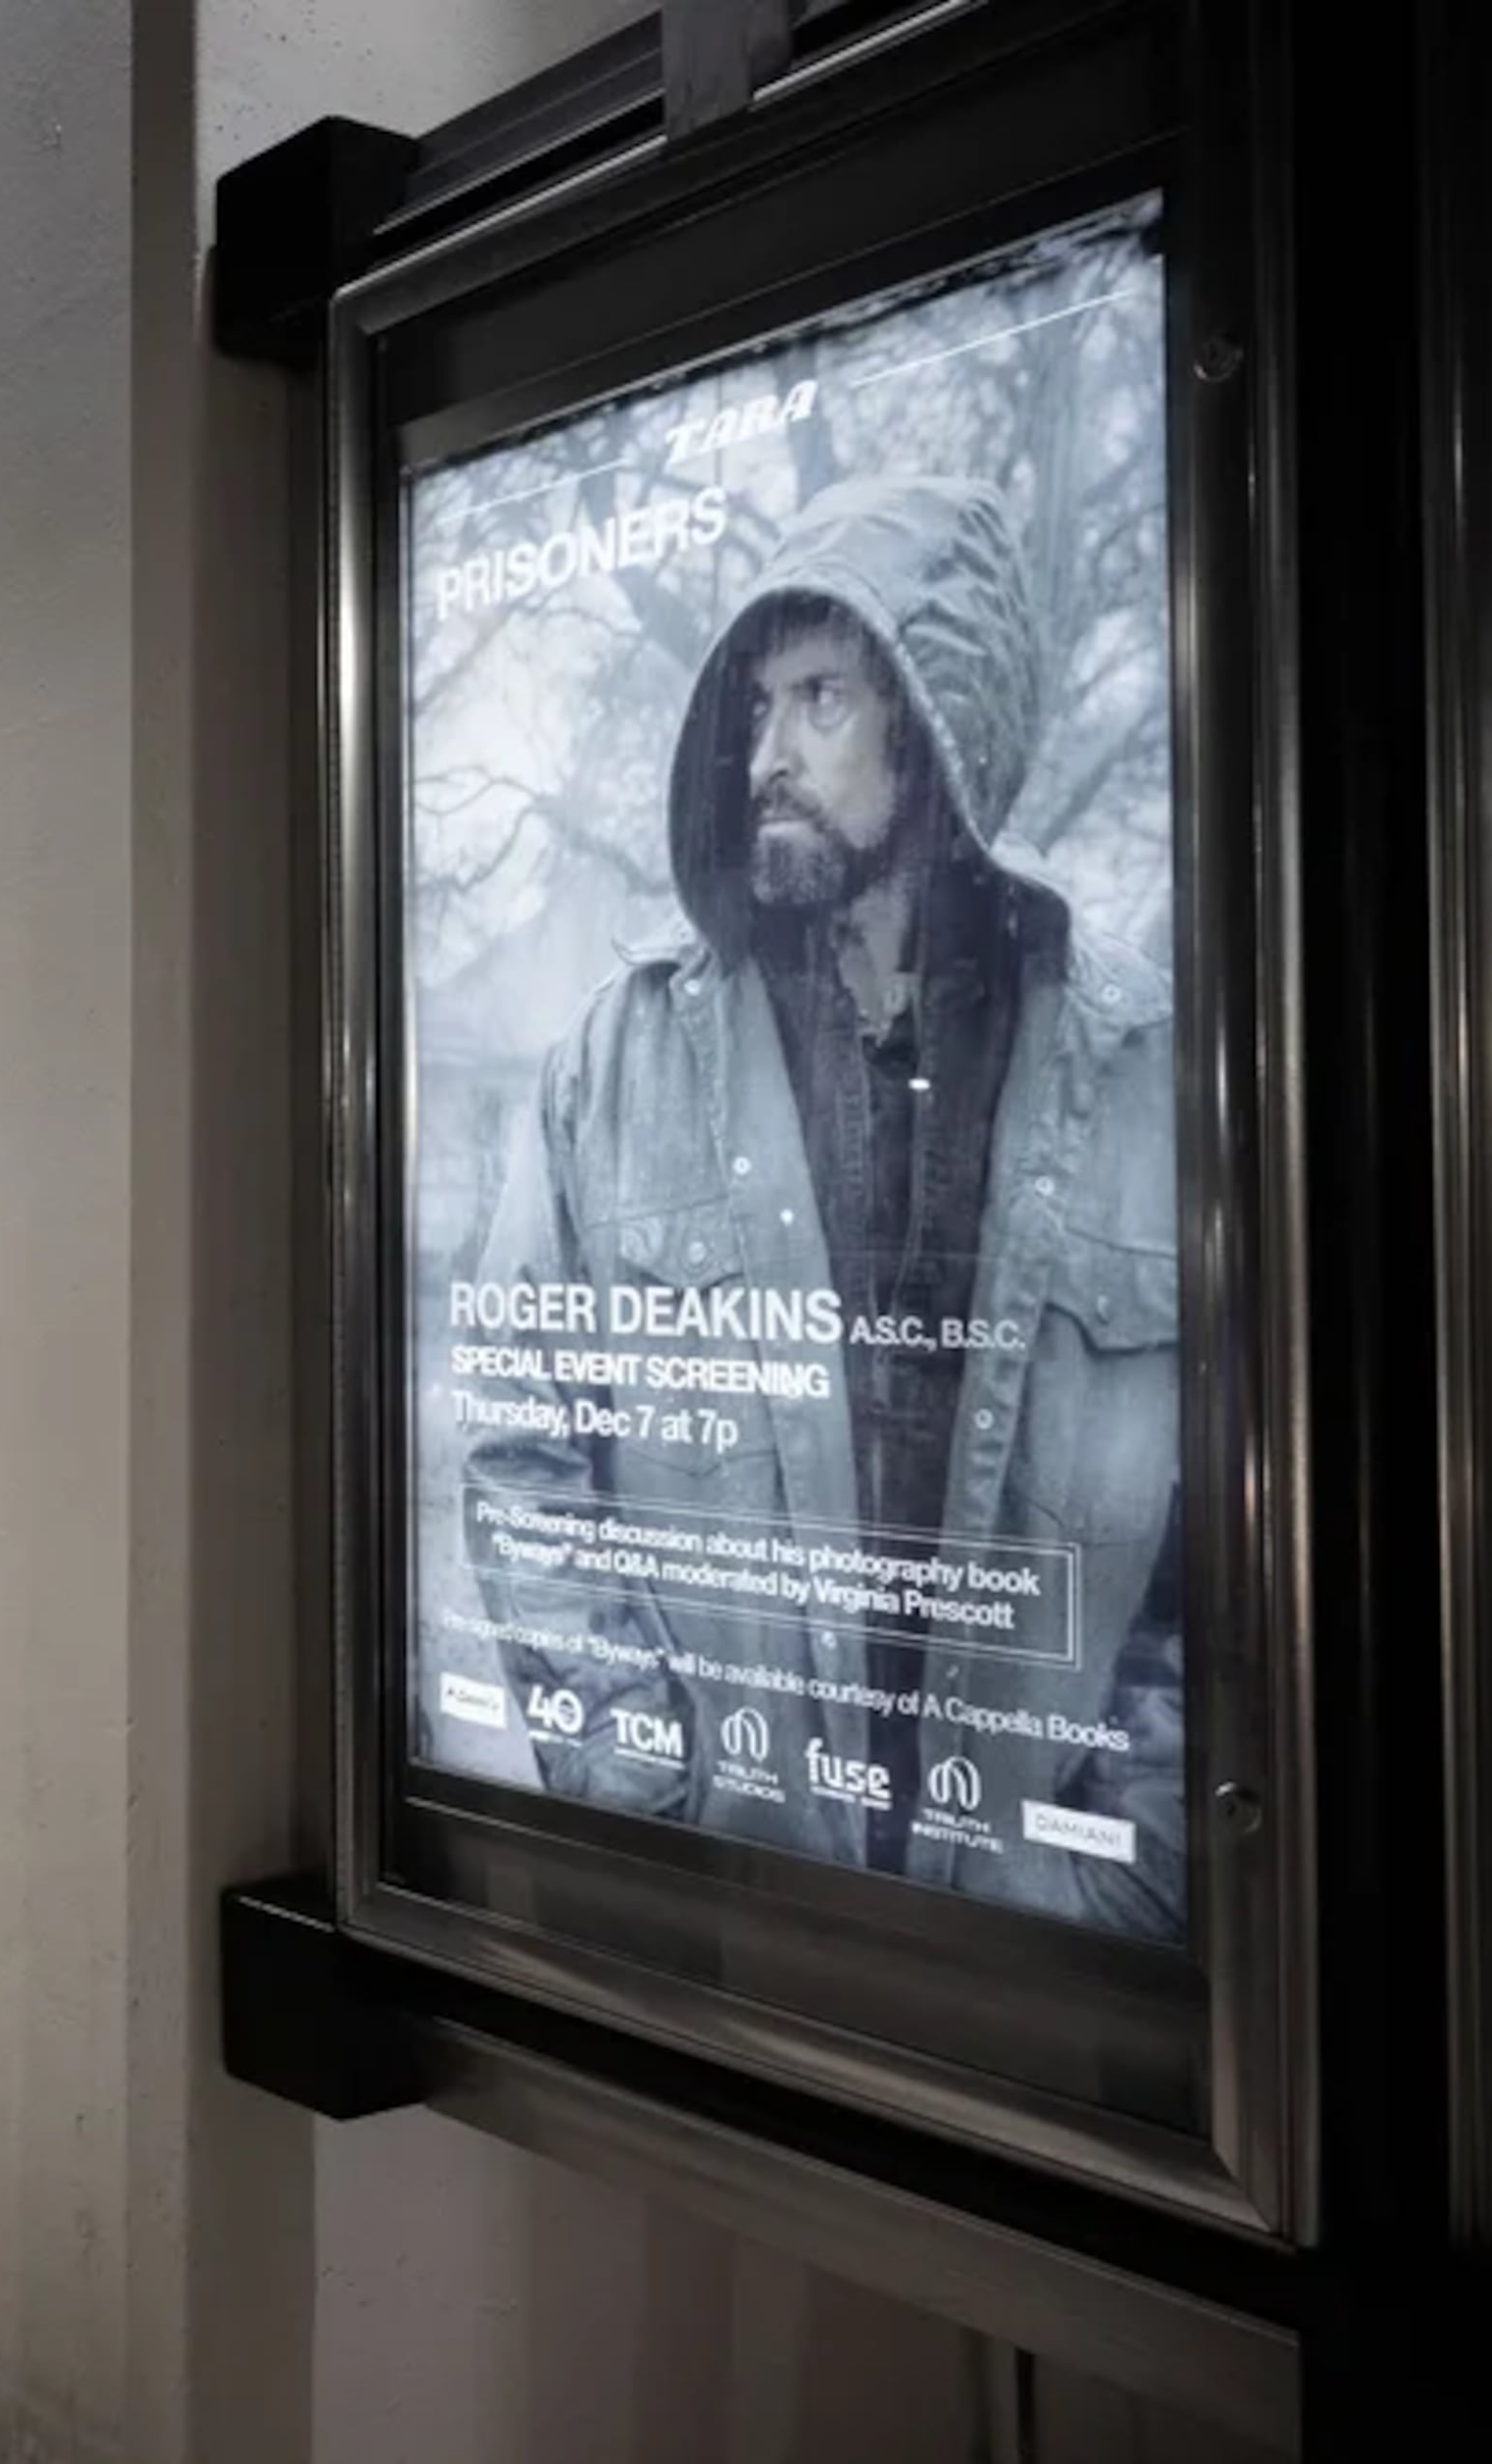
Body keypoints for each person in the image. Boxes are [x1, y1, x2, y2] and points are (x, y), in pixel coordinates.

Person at [463, 475, 1184, 1938]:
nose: (765, 755)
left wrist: (1127, 1870)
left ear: (934, 725)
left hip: (1040, 1974)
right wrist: (641, 1790)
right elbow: (519, 1448)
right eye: (754, 708)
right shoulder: (621, 1057)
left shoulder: (1148, 1070)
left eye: (820, 700)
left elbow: (1227, 1547)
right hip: (726, 1930)